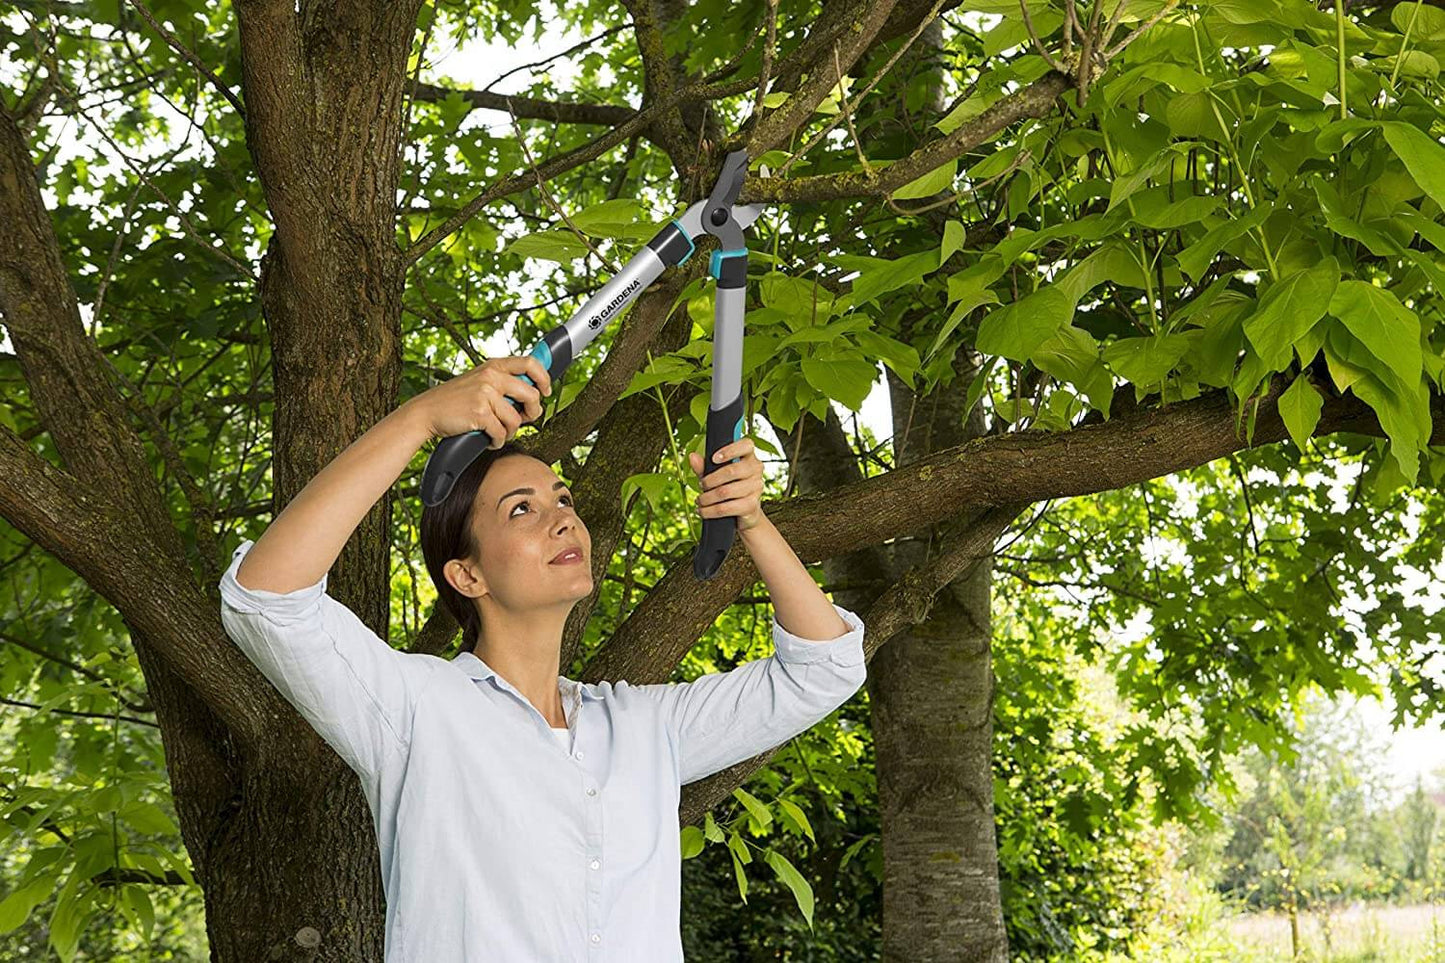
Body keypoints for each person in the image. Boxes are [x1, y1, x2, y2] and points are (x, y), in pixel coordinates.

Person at [218, 355, 868, 962]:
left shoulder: (645, 727)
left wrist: (749, 518)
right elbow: (265, 599)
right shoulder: (416, 710)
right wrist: (420, 419)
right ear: (467, 575)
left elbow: (825, 667)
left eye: (562, 499)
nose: (561, 520)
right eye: (522, 509)